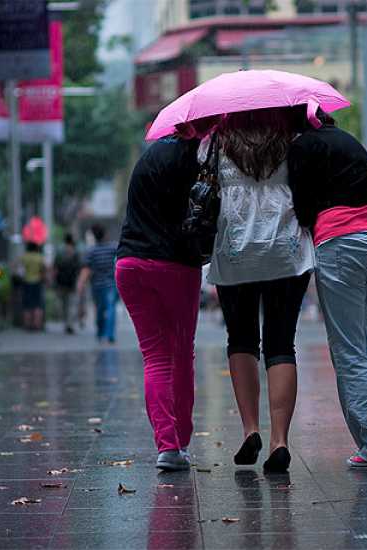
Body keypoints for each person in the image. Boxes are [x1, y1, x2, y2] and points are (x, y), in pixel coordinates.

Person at [287, 111, 367, 470]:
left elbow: (302, 207)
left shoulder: (302, 146)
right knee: (361, 343)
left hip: (342, 243)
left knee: (348, 349)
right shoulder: (350, 141)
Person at [208, 106, 314, 473]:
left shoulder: (215, 142)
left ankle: (251, 429)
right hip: (285, 250)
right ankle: (279, 440)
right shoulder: (292, 141)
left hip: (235, 252)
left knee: (240, 340)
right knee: (282, 342)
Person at [115, 119, 213, 471]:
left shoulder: (149, 156)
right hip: (174, 265)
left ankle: (166, 445)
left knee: (155, 357)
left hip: (129, 264)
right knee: (181, 353)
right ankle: (180, 442)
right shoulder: (197, 163)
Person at [77, 224, 118, 343]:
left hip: (97, 286)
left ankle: (101, 332)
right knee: (111, 308)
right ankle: (110, 334)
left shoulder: (91, 251)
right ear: (105, 234)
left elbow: (86, 270)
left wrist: (81, 283)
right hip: (112, 284)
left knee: (100, 309)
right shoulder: (113, 247)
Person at [54, 233, 81, 334]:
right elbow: (79, 267)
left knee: (64, 303)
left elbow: (55, 266)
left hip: (61, 281)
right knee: (71, 303)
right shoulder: (75, 252)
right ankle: (70, 324)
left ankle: (66, 323)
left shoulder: (59, 251)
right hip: (72, 281)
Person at [19, 241, 45, 331]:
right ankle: (37, 325)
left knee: (27, 304)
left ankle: (27, 324)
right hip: (37, 282)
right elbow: (43, 269)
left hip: (26, 282)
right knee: (38, 304)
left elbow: (18, 268)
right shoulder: (39, 257)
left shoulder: (24, 257)